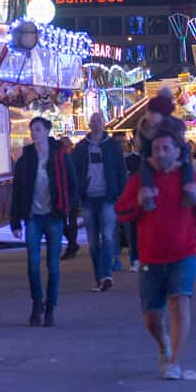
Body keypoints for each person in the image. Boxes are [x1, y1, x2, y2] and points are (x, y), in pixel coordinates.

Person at [116, 131, 196, 380]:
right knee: (152, 317)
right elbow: (121, 212)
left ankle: (174, 361)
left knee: (179, 301)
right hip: (150, 257)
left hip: (184, 253)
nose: (161, 153)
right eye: (156, 149)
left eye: (166, 148)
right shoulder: (141, 179)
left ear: (177, 150)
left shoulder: (190, 177)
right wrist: (138, 202)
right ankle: (164, 344)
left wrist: (195, 199)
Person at [10, 117, 79, 327]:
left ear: (47, 131)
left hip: (53, 216)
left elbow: (73, 184)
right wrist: (15, 221)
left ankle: (50, 307)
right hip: (33, 217)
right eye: (32, 130)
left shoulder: (60, 156)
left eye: (38, 130)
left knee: (53, 265)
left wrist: (66, 208)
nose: (34, 134)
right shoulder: (25, 159)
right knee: (32, 264)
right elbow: (18, 191)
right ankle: (37, 303)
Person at [71, 112, 128, 292]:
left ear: (104, 124)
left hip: (107, 197)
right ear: (89, 124)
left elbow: (120, 171)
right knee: (94, 241)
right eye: (93, 121)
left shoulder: (112, 146)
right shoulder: (81, 148)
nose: (96, 124)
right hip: (88, 198)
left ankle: (106, 275)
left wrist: (123, 196)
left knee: (108, 236)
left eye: (99, 121)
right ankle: (100, 278)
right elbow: (74, 172)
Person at [135, 90, 196, 211]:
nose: (151, 116)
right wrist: (151, 158)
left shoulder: (173, 126)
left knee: (186, 166)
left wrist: (179, 160)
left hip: (172, 159)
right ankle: (148, 194)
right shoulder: (146, 127)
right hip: (154, 159)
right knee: (145, 167)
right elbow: (143, 148)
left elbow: (183, 147)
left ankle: (188, 190)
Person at [59, 137, 81, 259]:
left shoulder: (73, 157)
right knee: (63, 221)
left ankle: (72, 245)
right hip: (63, 193)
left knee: (71, 221)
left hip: (72, 192)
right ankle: (72, 243)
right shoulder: (60, 158)